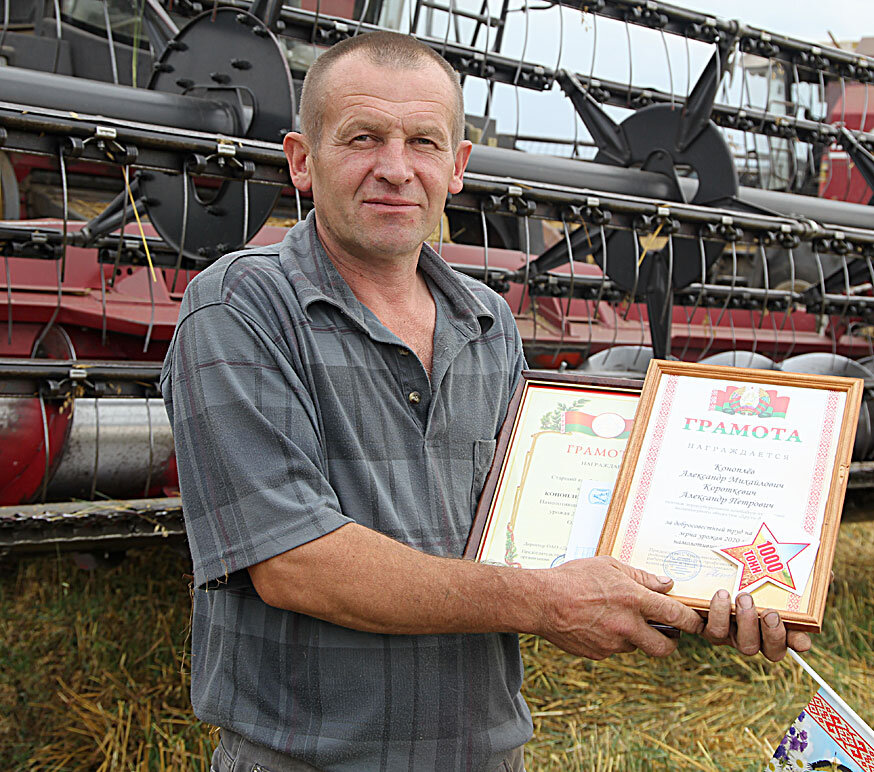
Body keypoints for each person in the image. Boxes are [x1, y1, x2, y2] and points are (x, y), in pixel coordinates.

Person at [160, 30, 811, 772]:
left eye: (423, 142)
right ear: (302, 161)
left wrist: (706, 585)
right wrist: (545, 601)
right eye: (363, 138)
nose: (396, 169)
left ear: (458, 166)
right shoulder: (240, 307)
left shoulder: (486, 320)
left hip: (486, 753)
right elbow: (294, 562)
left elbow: (546, 532)